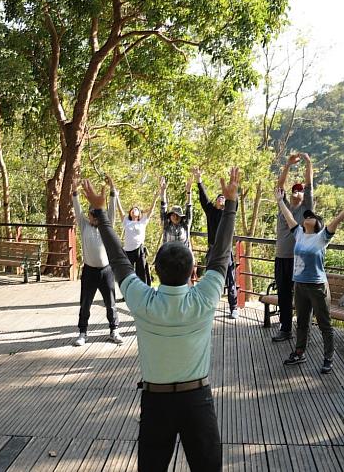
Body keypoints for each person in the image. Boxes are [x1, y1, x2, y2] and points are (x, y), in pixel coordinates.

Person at [83, 166, 240, 471]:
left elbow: (118, 260)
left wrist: (101, 214)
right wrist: (230, 205)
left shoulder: (144, 302)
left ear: (154, 271)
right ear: (193, 271)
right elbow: (220, 255)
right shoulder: (204, 299)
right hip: (197, 399)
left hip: (156, 402)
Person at [276, 189, 344, 374]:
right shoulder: (298, 233)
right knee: (301, 322)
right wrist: (280, 200)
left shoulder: (322, 237)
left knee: (324, 323)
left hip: (317, 286)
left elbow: (338, 220)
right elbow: (287, 214)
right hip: (299, 285)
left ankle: (328, 357)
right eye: (306, 216)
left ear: (318, 223)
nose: (307, 217)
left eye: (312, 217)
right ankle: (300, 352)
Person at [72, 182, 122, 346]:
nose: (93, 218)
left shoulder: (106, 227)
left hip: (106, 270)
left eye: (95, 215)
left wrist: (113, 191)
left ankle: (114, 330)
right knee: (85, 303)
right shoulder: (84, 224)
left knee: (111, 303)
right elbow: (77, 209)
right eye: (91, 215)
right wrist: (75, 192)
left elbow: (112, 212)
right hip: (89, 271)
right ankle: (82, 332)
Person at [272, 153, 315, 341]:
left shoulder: (306, 209)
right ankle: (286, 328)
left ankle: (304, 330)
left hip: (299, 260)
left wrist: (308, 162)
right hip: (281, 258)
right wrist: (287, 165)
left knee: (301, 297)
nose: (296, 192)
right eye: (294, 190)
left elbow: (309, 183)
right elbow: (279, 187)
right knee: (283, 295)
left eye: (300, 190)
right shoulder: (284, 207)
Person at [194, 167, 239, 319]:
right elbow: (203, 198)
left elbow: (234, 204)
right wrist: (199, 180)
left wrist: (233, 191)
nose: (221, 199)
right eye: (219, 198)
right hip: (213, 249)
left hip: (226, 251)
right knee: (210, 278)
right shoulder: (211, 211)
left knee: (231, 278)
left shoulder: (228, 214)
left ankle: (234, 307)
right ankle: (208, 307)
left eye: (223, 198)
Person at [109, 174, 159, 285]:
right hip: (127, 250)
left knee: (141, 271)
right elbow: (120, 209)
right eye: (132, 209)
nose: (134, 210)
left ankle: (143, 291)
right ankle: (128, 292)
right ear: (130, 213)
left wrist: (155, 198)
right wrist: (116, 197)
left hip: (139, 249)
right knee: (128, 272)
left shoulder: (142, 222)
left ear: (139, 213)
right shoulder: (126, 221)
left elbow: (151, 210)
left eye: (136, 209)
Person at [160, 174, 193, 249]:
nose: (175, 217)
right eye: (173, 215)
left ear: (181, 217)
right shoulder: (166, 225)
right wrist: (163, 193)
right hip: (169, 254)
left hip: (183, 256)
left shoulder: (185, 225)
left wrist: (188, 192)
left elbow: (189, 207)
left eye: (178, 215)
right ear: (170, 216)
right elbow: (163, 208)